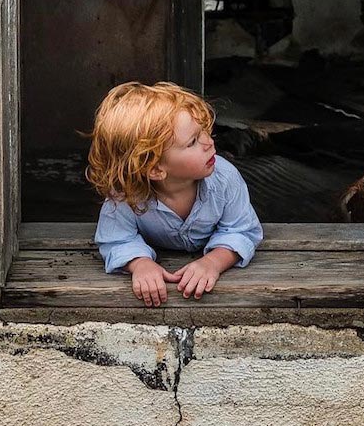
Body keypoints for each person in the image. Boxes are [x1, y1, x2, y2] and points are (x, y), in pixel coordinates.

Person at [87, 80, 263, 307]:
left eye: (204, 132)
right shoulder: (125, 196)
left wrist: (212, 262)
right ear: (156, 170)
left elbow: (242, 230)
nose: (209, 142)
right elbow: (116, 238)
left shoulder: (224, 178)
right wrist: (140, 264)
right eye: (192, 141)